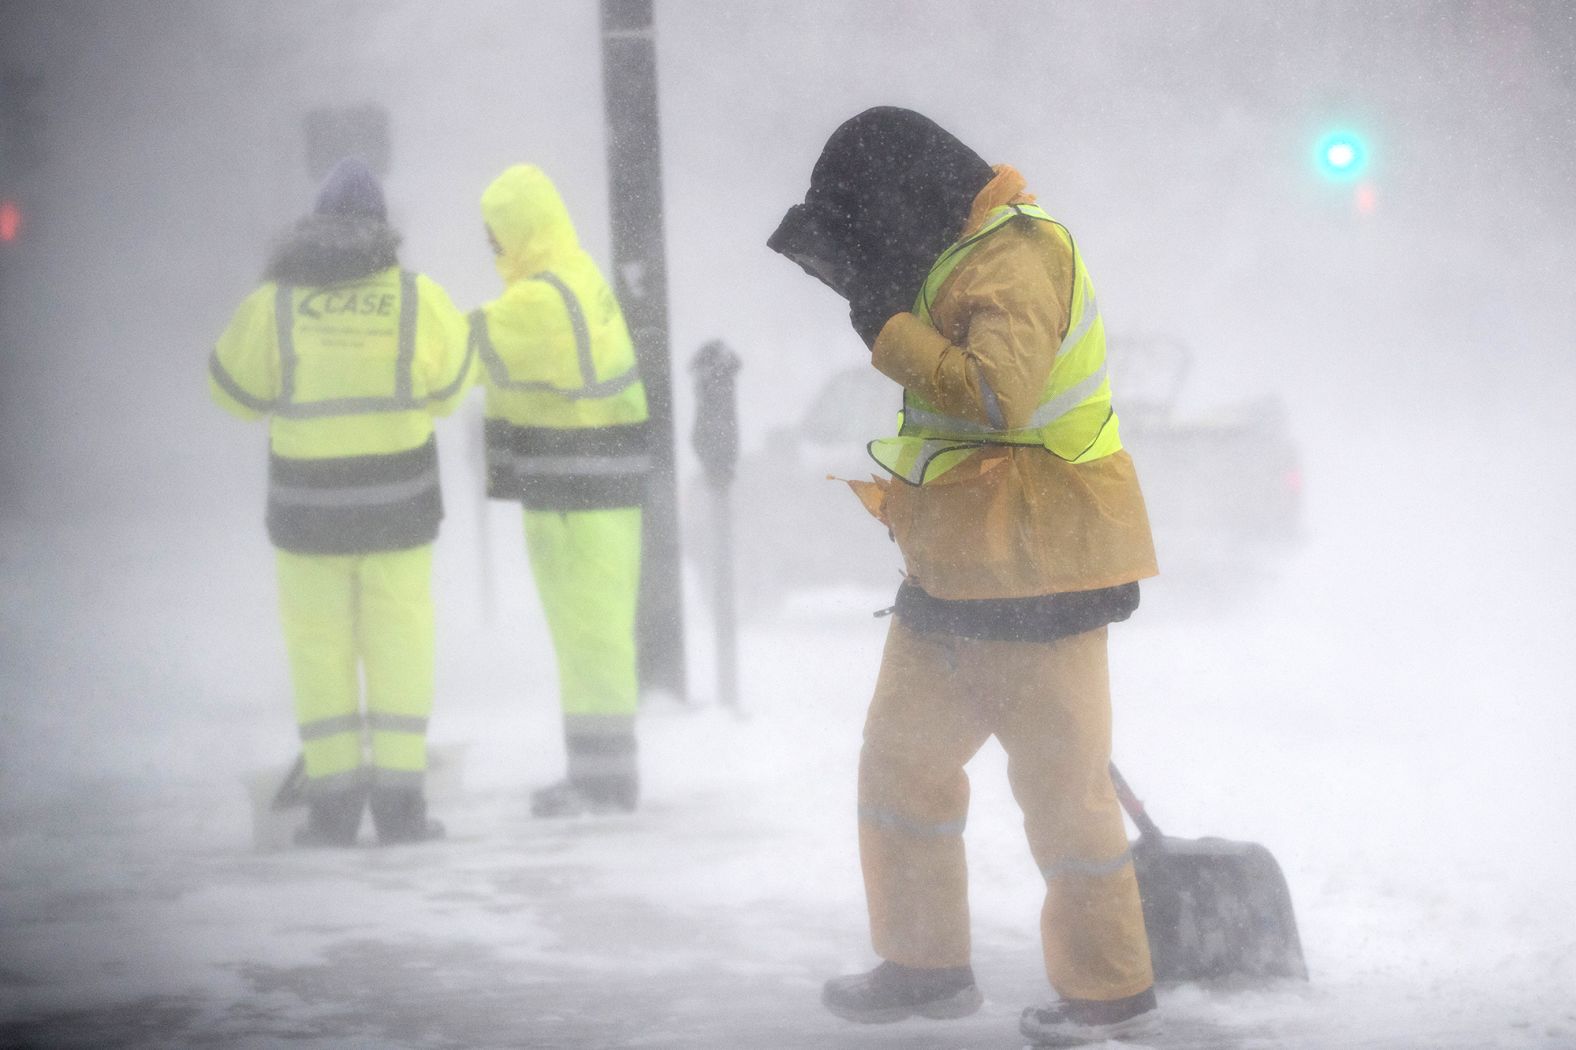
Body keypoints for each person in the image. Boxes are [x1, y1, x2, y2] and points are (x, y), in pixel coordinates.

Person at [768, 107, 1162, 1047]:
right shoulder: (957, 255)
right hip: (955, 571)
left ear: (909, 193)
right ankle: (923, 966)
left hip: (1040, 569)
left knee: (1063, 794)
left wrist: (891, 329)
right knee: (900, 768)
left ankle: (1110, 993)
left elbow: (996, 395)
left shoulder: (1018, 259)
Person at [209, 158, 472, 847]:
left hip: (308, 517)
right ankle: (401, 809)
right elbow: (449, 392)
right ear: (385, 230)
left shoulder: (275, 303)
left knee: (319, 654)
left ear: (314, 226)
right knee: (400, 651)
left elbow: (231, 395)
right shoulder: (419, 299)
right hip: (399, 511)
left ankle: (331, 811)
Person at [470, 164, 649, 818]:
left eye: (496, 233)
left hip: (579, 487)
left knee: (592, 641)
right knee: (586, 640)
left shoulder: (540, 300)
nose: (490, 245)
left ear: (519, 229)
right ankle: (596, 774)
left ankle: (605, 782)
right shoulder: (575, 274)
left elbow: (456, 350)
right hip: (585, 484)